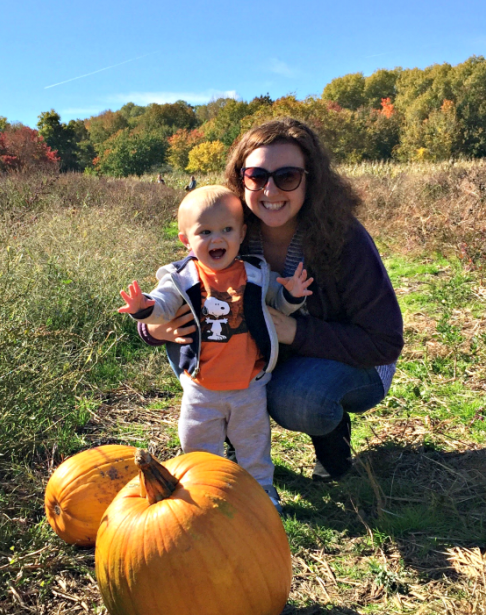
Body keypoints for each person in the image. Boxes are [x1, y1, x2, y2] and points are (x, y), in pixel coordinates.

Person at [139, 118, 403, 481]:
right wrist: (156, 330)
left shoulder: (345, 239)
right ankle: (230, 437)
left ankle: (332, 438)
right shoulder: (232, 230)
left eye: (288, 177)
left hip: (358, 362)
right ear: (241, 179)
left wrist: (292, 330)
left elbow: (384, 342)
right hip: (277, 352)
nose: (271, 190)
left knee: (299, 398)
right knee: (193, 337)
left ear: (311, 179)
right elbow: (177, 288)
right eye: (257, 176)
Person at [119, 185, 313, 510]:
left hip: (249, 386)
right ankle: (205, 495)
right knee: (198, 448)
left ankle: (261, 492)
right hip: (201, 390)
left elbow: (276, 303)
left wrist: (291, 295)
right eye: (205, 231)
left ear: (241, 234)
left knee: (254, 447)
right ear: (186, 240)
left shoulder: (257, 273)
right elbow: (163, 305)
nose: (216, 238)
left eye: (226, 229)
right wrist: (144, 307)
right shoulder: (181, 277)